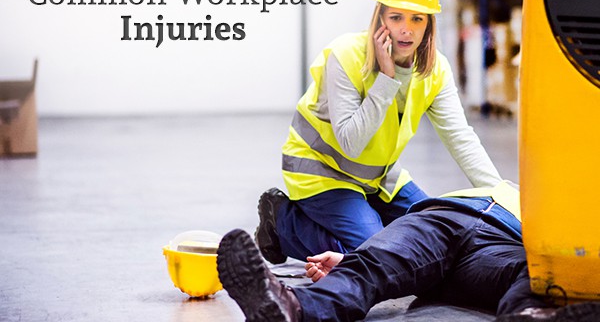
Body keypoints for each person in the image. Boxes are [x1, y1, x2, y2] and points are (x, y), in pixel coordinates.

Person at [255, 0, 504, 265]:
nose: (406, 29)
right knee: (379, 256)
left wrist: (499, 195)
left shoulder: (435, 68)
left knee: (436, 233)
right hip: (322, 173)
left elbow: (460, 136)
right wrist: (386, 79)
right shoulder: (346, 55)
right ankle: (283, 223)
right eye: (396, 16)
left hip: (378, 177)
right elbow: (351, 142)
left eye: (417, 19)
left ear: (429, 25)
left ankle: (372, 226)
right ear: (380, 17)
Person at [217, 181, 600, 322]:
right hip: (445, 216)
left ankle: (529, 315)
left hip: (503, 242)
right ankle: (289, 308)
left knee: (536, 274)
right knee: (371, 264)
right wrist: (351, 258)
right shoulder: (507, 184)